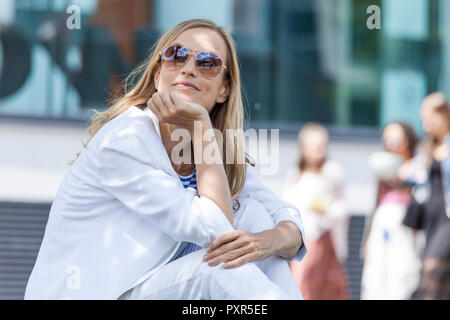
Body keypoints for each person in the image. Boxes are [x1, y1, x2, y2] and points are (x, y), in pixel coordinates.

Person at [24, 19, 306, 300]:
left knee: (252, 213)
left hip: (151, 287)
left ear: (224, 90)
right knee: (220, 267)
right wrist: (201, 126)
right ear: (158, 75)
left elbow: (279, 214)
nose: (189, 68)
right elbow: (216, 227)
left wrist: (274, 239)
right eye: (176, 55)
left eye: (208, 63)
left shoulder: (207, 152)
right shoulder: (125, 140)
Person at [282, 123, 349, 300]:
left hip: (323, 240)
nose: (318, 151)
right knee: (301, 285)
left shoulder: (332, 172)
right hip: (301, 238)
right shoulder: (295, 174)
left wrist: (325, 210)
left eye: (321, 146)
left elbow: (342, 207)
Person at [361, 122, 425, 300]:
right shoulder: (383, 167)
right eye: (388, 140)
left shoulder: (417, 167)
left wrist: (403, 178)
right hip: (381, 231)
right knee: (376, 277)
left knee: (401, 277)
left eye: (397, 140)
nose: (392, 144)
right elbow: (375, 202)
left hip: (405, 231)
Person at [403, 92, 450, 300]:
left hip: (447, 219)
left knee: (431, 272)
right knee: (442, 279)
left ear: (443, 116)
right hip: (431, 218)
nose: (425, 125)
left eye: (428, 118)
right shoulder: (429, 147)